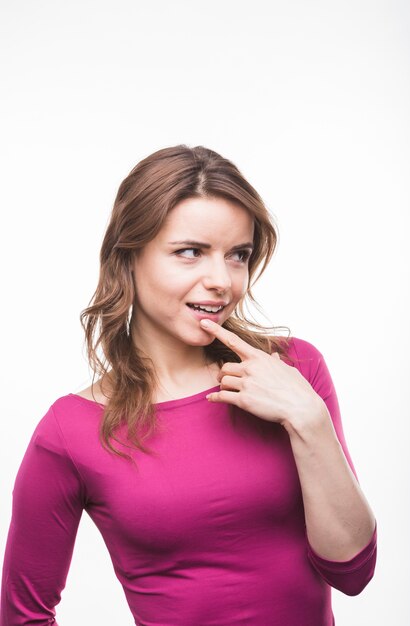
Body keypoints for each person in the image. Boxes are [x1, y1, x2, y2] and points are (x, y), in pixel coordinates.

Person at [0, 145, 377, 626]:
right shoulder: (71, 431)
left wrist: (309, 420)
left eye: (238, 255)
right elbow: (23, 616)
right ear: (128, 258)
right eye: (190, 252)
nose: (221, 280)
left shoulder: (295, 370)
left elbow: (353, 572)